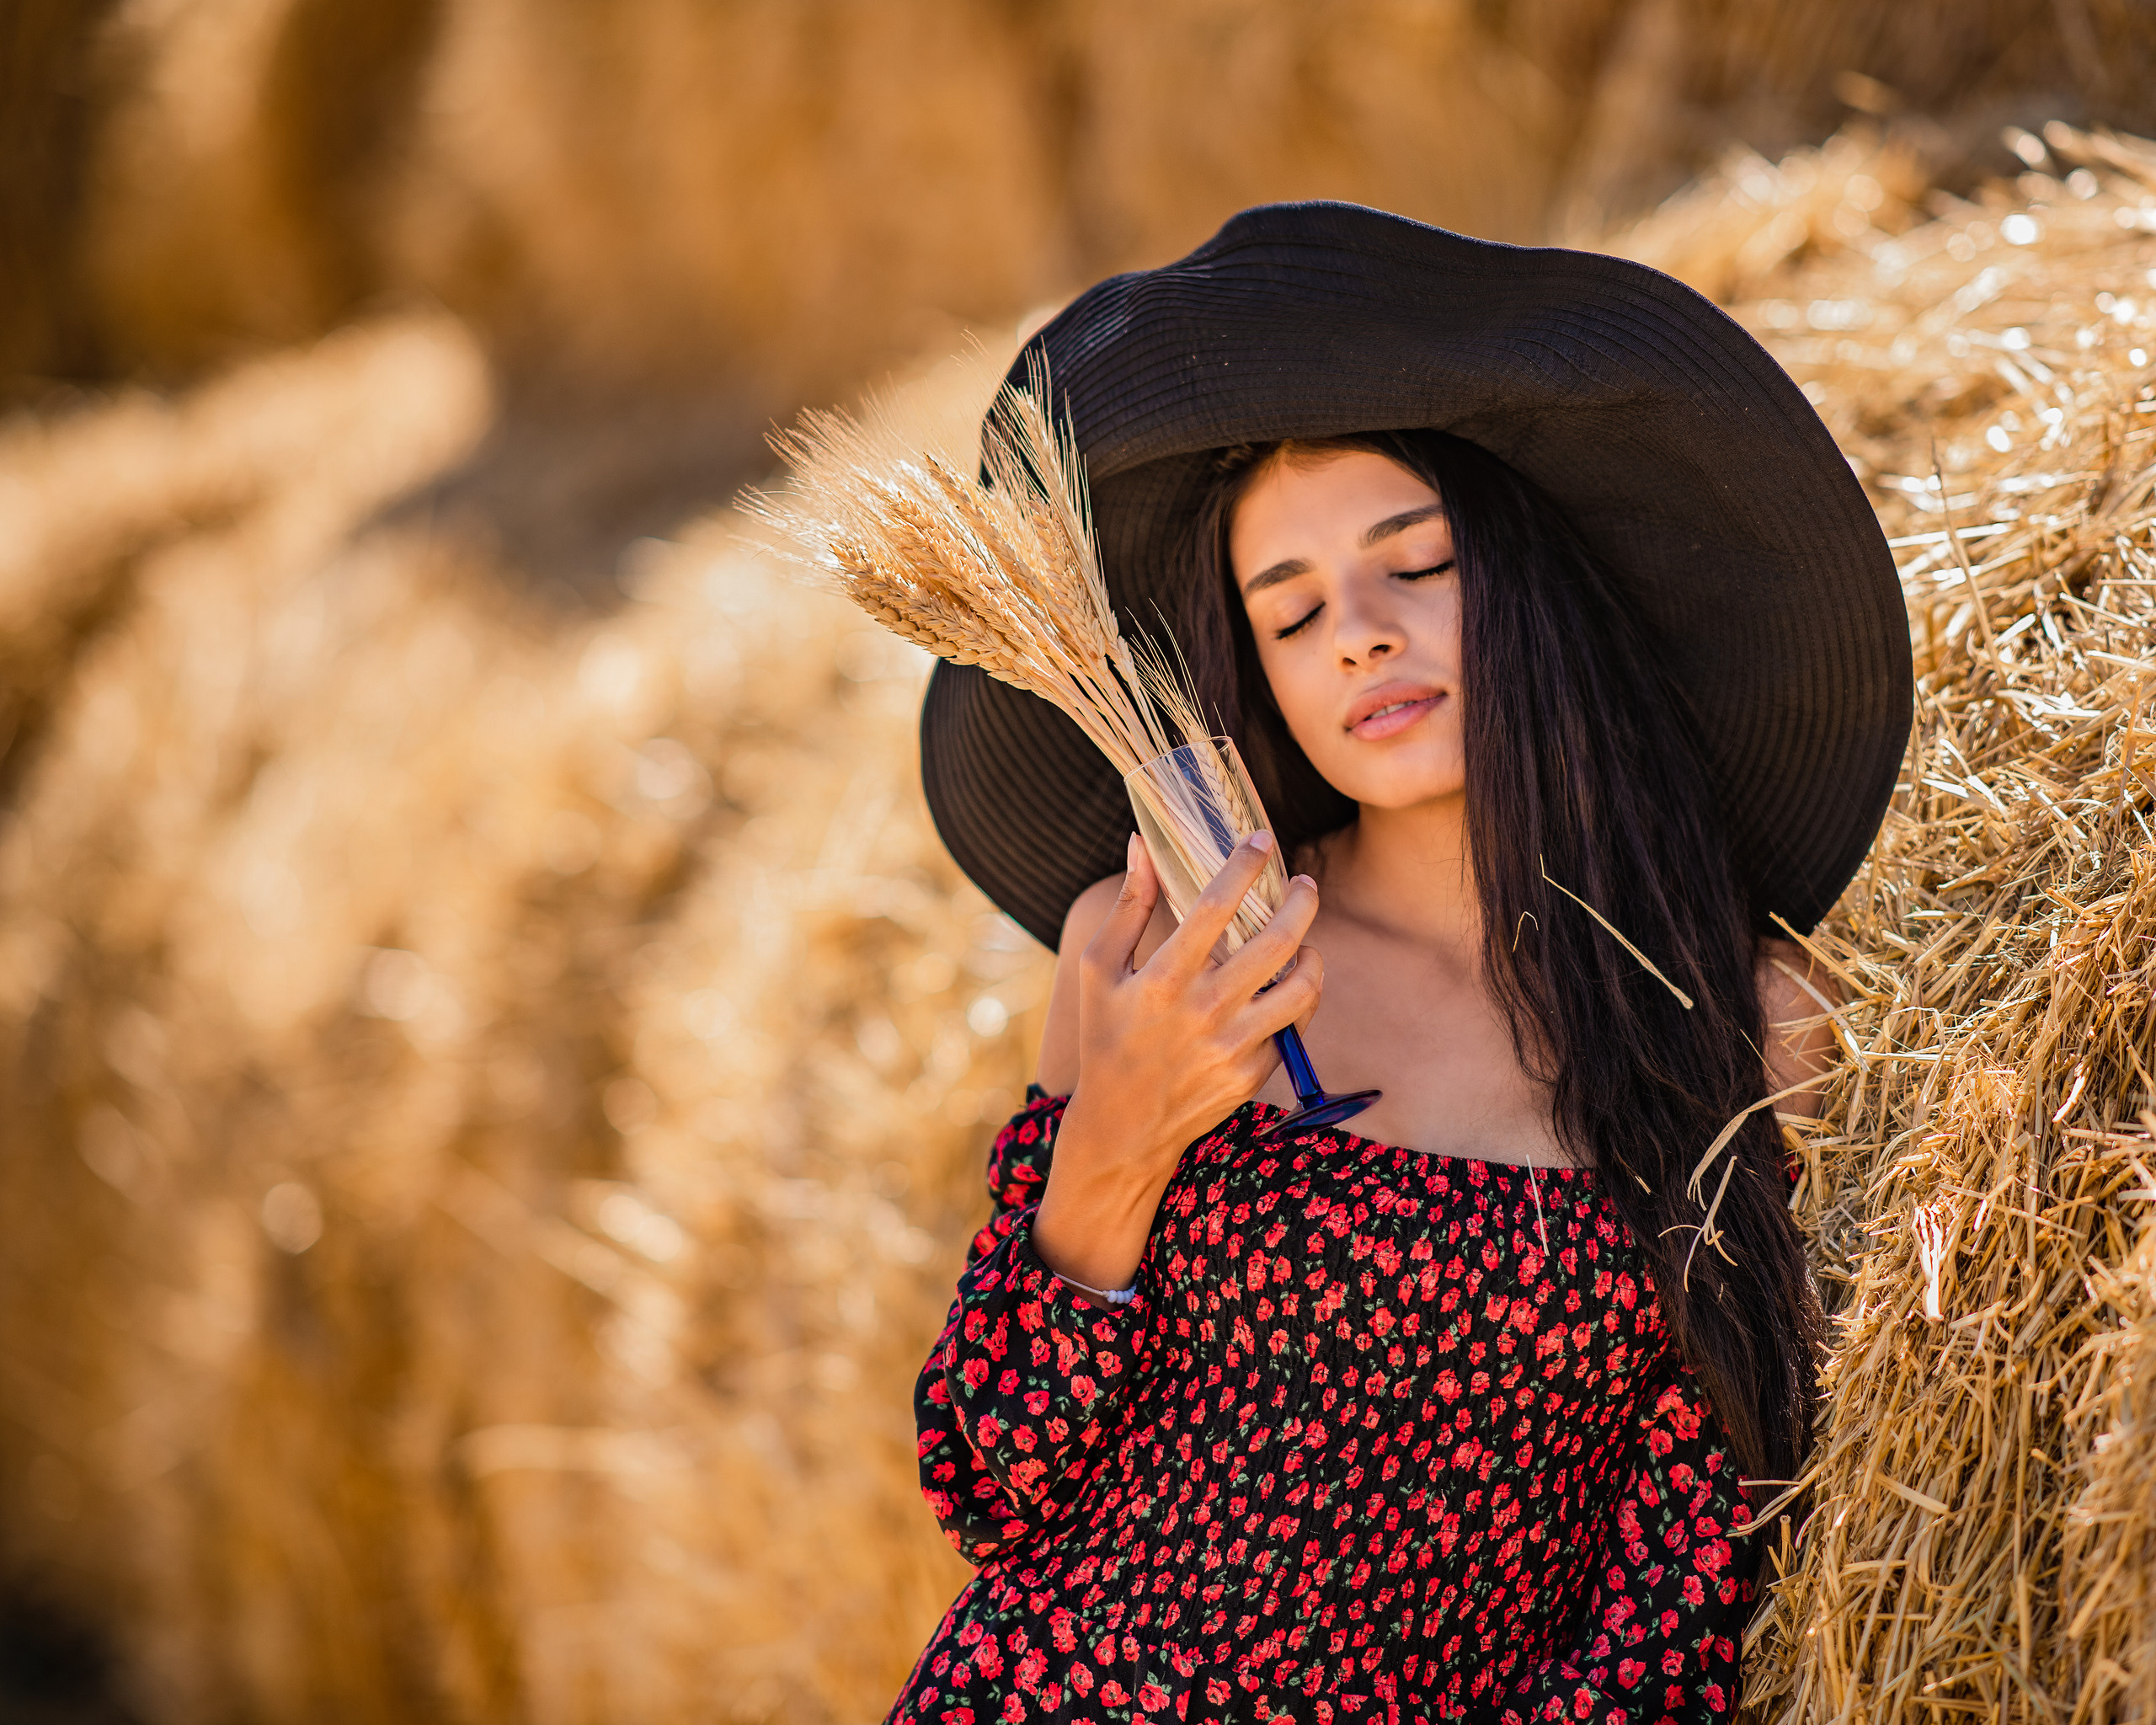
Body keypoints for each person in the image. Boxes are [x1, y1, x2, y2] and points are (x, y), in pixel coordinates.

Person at [891, 202, 1911, 1724]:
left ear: (1530, 586)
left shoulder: (1749, 1025)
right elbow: (993, 1479)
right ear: (1263, 681)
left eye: (1413, 566)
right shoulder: (1173, 960)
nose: (1356, 635)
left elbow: (1688, 1574)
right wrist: (1110, 1148)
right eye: (1290, 613)